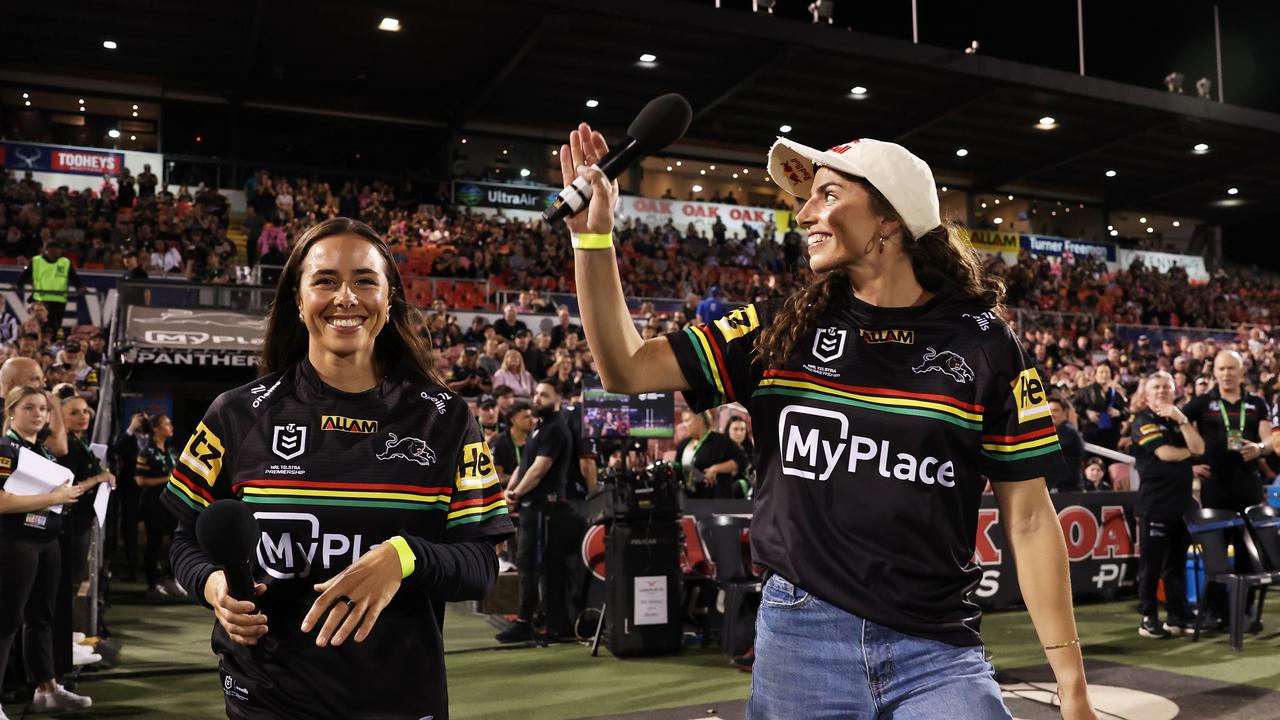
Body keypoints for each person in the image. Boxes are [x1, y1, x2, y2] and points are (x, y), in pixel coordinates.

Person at [556, 123, 1096, 718]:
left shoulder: (987, 345)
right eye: (808, 197)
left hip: (938, 649)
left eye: (829, 195)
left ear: (890, 218)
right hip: (799, 641)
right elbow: (627, 369)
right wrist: (593, 242)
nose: (805, 213)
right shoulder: (779, 329)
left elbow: (1027, 520)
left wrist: (1070, 682)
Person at [160, 217, 512, 719]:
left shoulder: (448, 420)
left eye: (365, 281)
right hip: (267, 696)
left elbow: (481, 566)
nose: (345, 297)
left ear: (388, 300)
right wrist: (213, 586)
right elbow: (186, 539)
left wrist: (404, 557)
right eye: (325, 281)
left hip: (398, 698)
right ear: (298, 301)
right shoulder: (235, 414)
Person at [0, 387, 91, 717]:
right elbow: (2, 501)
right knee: (6, 622)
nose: (39, 413)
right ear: (11, 412)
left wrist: (65, 495)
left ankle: (47, 689)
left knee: (42, 617)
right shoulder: (5, 448)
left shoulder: (43, 451)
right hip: (15, 542)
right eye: (29, 407)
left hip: (47, 539)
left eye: (43, 408)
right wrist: (53, 498)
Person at [1182, 350, 1273, 632]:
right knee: (1214, 551)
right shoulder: (1201, 403)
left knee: (1249, 552)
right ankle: (1214, 613)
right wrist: (1191, 465)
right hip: (1216, 486)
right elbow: (1178, 428)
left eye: (1231, 368)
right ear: (1215, 372)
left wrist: (1259, 448)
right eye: (1221, 369)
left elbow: (1270, 437)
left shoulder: (1257, 402)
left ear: (1241, 371)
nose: (1226, 374)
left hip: (1248, 484)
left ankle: (1245, 613)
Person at [496, 381, 575, 644]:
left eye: (544, 395)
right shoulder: (538, 428)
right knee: (528, 567)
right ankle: (531, 621)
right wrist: (511, 490)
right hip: (533, 509)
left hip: (545, 510)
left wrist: (516, 494)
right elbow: (524, 465)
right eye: (536, 393)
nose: (537, 398)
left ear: (558, 399)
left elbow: (539, 470)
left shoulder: (555, 429)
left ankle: (530, 623)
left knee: (536, 568)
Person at [1130, 371, 1203, 639]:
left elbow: (1201, 447)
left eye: (1167, 387)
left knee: (1176, 563)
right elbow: (1166, 453)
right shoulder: (1142, 420)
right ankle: (1148, 616)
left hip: (1181, 504)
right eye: (1156, 387)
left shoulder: (1177, 421)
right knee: (1151, 565)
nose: (1162, 391)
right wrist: (1191, 455)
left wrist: (1182, 419)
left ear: (1174, 392)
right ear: (1147, 394)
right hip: (1155, 505)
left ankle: (1176, 614)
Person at [53, 395, 114, 674]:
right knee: (66, 586)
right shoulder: (65, 447)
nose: (84, 416)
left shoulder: (79, 442)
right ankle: (62, 644)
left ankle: (66, 639)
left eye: (85, 411)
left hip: (80, 524)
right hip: (69, 525)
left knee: (72, 584)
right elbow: (71, 488)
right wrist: (99, 478)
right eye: (74, 413)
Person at [136, 414, 185, 601]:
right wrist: (168, 479)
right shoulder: (146, 451)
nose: (171, 427)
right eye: (166, 424)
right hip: (153, 503)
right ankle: (152, 584)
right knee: (154, 543)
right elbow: (140, 480)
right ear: (156, 428)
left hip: (171, 504)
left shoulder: (171, 451)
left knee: (177, 540)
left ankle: (171, 577)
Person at [14, 240, 88, 339]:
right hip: (41, 299)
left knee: (56, 326)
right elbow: (25, 275)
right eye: (56, 249)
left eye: (59, 249)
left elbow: (73, 277)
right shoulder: (36, 261)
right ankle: (36, 342)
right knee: (39, 324)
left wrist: (80, 288)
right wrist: (17, 285)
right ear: (48, 250)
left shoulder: (65, 262)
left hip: (59, 299)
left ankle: (53, 345)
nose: (59, 251)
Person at [674, 409, 747, 499]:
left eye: (687, 420)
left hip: (717, 499)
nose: (684, 425)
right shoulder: (683, 444)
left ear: (700, 419)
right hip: (690, 498)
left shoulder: (721, 441)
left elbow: (742, 461)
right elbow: (677, 469)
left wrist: (715, 469)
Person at [1074, 363, 1127, 451]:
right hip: (1091, 434)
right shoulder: (1084, 392)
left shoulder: (1116, 394)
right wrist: (1086, 412)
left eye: (1107, 372)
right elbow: (1073, 406)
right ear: (1095, 375)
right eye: (1101, 372)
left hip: (1112, 436)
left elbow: (1127, 411)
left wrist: (1118, 413)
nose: (1104, 375)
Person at [1050, 396, 1084, 492]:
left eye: (1055, 410)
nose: (1051, 414)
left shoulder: (1068, 431)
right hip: (1061, 487)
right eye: (1048, 411)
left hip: (1068, 489)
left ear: (1065, 413)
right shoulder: (1056, 431)